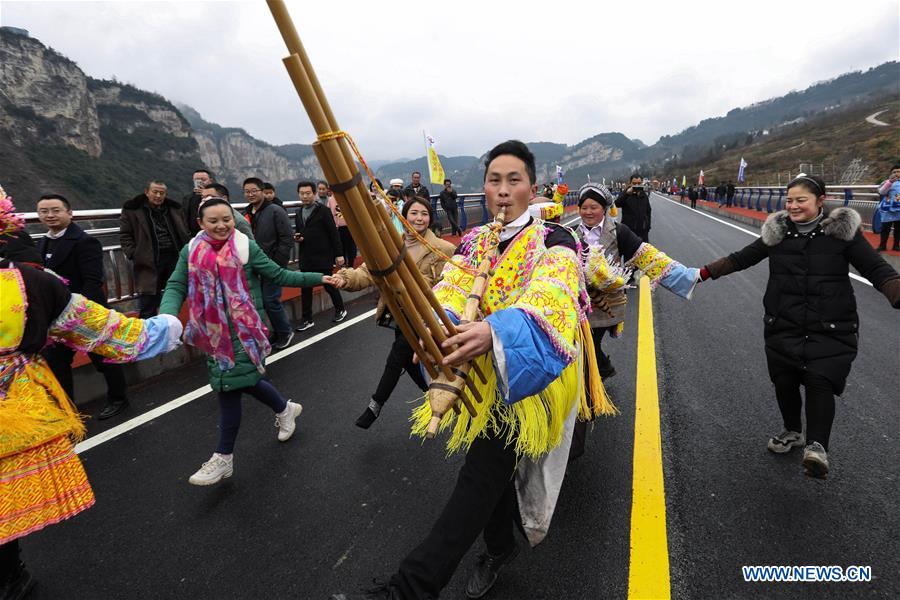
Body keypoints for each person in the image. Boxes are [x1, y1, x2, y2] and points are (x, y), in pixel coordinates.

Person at [332, 140, 601, 600]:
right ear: (484, 188)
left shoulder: (556, 238)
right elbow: (453, 289)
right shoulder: (476, 240)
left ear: (531, 189)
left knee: (478, 474)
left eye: (513, 180)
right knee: (487, 476)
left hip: (526, 371)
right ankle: (499, 547)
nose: (502, 190)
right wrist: (440, 329)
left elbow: (552, 297)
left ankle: (410, 589)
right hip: (478, 370)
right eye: (494, 180)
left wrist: (494, 332)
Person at [0, 190, 182, 599]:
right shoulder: (28, 282)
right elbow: (100, 330)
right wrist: (163, 328)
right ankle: (10, 574)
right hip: (16, 404)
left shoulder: (30, 278)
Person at [697, 175, 900, 478]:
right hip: (784, 321)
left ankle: (817, 448)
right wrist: (701, 274)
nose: (792, 206)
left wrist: (894, 290)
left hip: (831, 324)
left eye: (800, 200)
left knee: (821, 380)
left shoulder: (842, 234)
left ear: (820, 202)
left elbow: (876, 268)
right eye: (788, 200)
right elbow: (743, 258)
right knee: (785, 380)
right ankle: (793, 430)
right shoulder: (777, 233)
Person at [159, 198, 340, 485]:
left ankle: (223, 457)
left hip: (245, 332)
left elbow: (280, 275)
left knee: (228, 386)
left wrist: (320, 277)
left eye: (226, 219)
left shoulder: (246, 247)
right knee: (245, 381)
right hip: (213, 333)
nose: (221, 225)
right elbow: (176, 285)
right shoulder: (191, 251)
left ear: (234, 219)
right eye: (213, 221)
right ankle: (285, 408)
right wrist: (166, 317)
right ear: (200, 224)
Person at [332, 196, 455, 429]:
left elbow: (450, 287)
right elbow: (367, 271)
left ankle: (375, 405)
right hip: (398, 314)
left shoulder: (442, 249)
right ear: (404, 216)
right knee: (408, 361)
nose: (419, 218)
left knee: (397, 354)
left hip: (424, 318)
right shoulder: (390, 245)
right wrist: (345, 279)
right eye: (414, 213)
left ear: (430, 218)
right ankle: (436, 394)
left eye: (424, 213)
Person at [36, 194, 131, 420]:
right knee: (58, 364)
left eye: (56, 210)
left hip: (84, 312)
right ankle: (67, 410)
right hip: (55, 317)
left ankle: (119, 398)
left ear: (69, 213)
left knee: (102, 358)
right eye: (44, 211)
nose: (50, 215)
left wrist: (82, 311)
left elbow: (92, 280)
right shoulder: (43, 242)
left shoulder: (84, 241)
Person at [120, 180, 190, 318]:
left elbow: (184, 230)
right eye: (155, 192)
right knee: (148, 301)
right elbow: (125, 234)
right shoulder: (133, 210)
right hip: (148, 259)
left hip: (174, 258)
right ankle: (149, 335)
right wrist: (134, 254)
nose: (158, 196)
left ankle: (173, 332)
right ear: (147, 192)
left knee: (175, 295)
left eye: (162, 193)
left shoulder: (173, 209)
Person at [241, 177, 295, 350]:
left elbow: (286, 238)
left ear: (262, 191)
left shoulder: (275, 211)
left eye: (254, 191)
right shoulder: (248, 213)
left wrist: (278, 263)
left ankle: (286, 332)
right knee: (262, 301)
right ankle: (278, 332)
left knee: (270, 299)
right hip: (255, 265)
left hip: (273, 264)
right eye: (247, 191)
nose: (250, 194)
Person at [293, 181, 347, 332]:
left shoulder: (323, 210)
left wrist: (339, 254)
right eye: (302, 193)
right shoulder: (298, 212)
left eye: (308, 193)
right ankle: (307, 319)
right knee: (305, 287)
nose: (305, 196)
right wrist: (298, 237)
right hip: (306, 256)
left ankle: (340, 309)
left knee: (328, 284)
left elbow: (333, 233)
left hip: (323, 255)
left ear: (314, 193)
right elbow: (300, 231)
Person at [616, 173, 652, 242]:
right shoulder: (625, 193)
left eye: (639, 183)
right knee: (628, 251)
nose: (637, 185)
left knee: (644, 251)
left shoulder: (643, 195)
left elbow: (648, 211)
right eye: (634, 183)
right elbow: (617, 204)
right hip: (629, 230)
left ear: (642, 183)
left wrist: (648, 226)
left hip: (643, 230)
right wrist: (626, 194)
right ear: (630, 183)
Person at [327, 188, 357, 267]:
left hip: (350, 227)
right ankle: (343, 268)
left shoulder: (347, 197)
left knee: (351, 248)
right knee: (341, 248)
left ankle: (351, 266)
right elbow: (330, 213)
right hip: (338, 228)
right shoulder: (331, 200)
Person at [875, 163, 900, 251]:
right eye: (894, 172)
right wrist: (890, 182)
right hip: (887, 208)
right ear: (891, 173)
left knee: (898, 228)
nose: (897, 173)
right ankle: (882, 245)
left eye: (899, 172)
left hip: (899, 209)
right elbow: (881, 192)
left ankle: (896, 245)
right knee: (885, 227)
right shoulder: (886, 182)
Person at [183, 168, 215, 235]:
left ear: (210, 181)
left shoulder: (216, 197)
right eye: (197, 180)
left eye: (203, 180)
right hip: (193, 236)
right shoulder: (187, 198)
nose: (200, 182)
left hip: (212, 234)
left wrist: (207, 195)